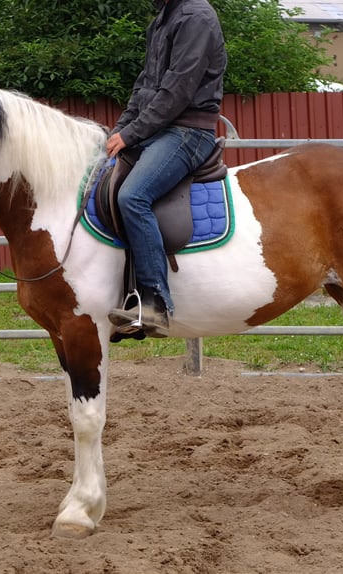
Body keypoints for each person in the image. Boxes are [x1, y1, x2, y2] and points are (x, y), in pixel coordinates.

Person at [107, 0, 227, 337]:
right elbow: (145, 84)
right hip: (160, 128)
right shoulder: (163, 19)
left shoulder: (195, 17)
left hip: (188, 130)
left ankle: (156, 304)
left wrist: (131, 133)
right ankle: (125, 296)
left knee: (133, 196)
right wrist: (120, 130)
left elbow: (178, 90)